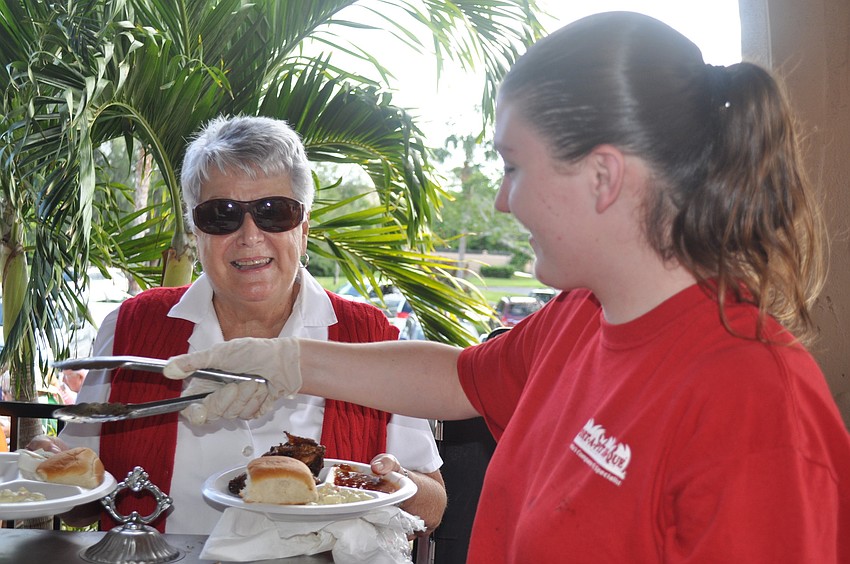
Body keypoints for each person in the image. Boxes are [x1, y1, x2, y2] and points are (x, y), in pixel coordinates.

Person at [163, 12, 850, 563]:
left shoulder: (756, 405)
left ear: (604, 178)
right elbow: (459, 378)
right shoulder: (582, 319)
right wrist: (285, 364)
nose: (498, 200)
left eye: (513, 166)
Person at [33, 115, 446, 534]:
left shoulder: (369, 336)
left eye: (273, 212)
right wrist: (45, 467)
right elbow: (77, 510)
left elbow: (431, 510)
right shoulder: (132, 328)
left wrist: (395, 484)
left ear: (303, 228)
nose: (250, 235)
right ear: (195, 230)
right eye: (221, 215)